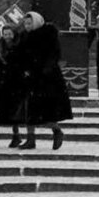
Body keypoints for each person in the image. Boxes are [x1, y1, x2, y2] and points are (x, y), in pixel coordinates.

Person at [16, 11, 73, 149]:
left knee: (45, 110)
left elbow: (53, 55)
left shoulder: (47, 36)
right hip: (30, 77)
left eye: (30, 23)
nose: (27, 26)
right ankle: (31, 139)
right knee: (29, 110)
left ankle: (57, 131)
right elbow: (21, 55)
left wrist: (43, 70)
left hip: (46, 79)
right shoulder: (24, 37)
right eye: (25, 23)